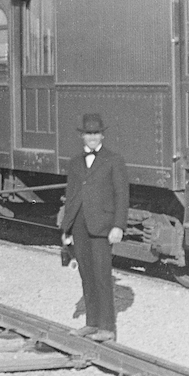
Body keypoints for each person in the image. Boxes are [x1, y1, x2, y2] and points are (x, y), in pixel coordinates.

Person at [60, 112, 129, 343]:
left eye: (96, 133)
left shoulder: (113, 160)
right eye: (88, 133)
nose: (92, 137)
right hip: (79, 224)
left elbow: (122, 195)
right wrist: (66, 228)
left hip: (102, 226)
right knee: (86, 275)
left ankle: (107, 328)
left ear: (102, 135)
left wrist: (118, 225)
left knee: (101, 275)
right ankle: (91, 323)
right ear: (82, 136)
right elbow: (71, 196)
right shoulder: (75, 162)